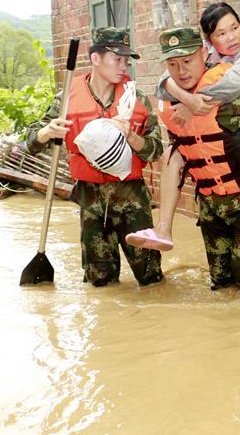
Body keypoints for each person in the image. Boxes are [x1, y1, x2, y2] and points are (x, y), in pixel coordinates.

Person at [128, 25, 240, 291]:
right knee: (221, 282)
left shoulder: (235, 91)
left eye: (188, 61)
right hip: (211, 206)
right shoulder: (171, 101)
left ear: (203, 54)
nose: (181, 71)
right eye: (173, 64)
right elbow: (187, 144)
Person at [24, 27, 165, 287]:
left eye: (126, 60)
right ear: (95, 58)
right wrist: (48, 131)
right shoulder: (66, 99)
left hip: (132, 201)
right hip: (91, 204)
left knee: (151, 280)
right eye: (117, 59)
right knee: (100, 286)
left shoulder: (136, 99)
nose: (123, 66)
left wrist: (132, 136)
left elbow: (157, 150)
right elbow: (30, 142)